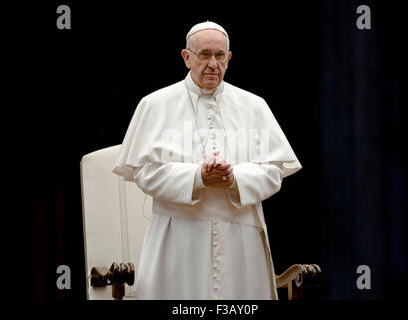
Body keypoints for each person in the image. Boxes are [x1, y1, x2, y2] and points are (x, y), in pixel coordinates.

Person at [112, 21, 302, 300]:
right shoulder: (154, 104)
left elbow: (274, 171)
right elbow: (143, 172)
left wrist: (234, 177)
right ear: (186, 57)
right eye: (204, 55)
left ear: (229, 58)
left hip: (241, 240)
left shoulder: (255, 105)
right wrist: (197, 177)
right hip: (176, 238)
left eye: (219, 55)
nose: (213, 63)